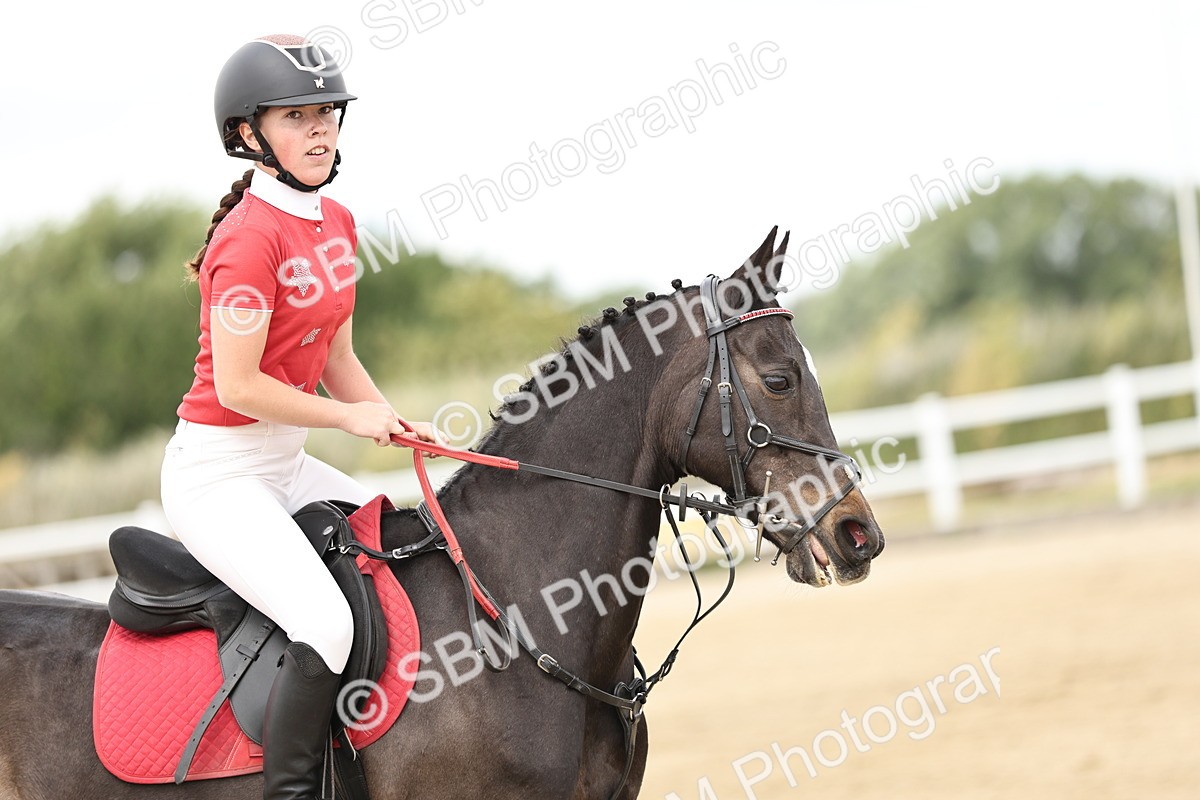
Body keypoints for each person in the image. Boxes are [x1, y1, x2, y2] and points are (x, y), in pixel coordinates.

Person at [161, 34, 442, 800]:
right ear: (247, 134)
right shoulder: (247, 241)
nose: (320, 129)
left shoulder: (338, 221)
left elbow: (337, 354)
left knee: (410, 548)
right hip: (217, 477)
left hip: (283, 466)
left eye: (328, 113)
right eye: (296, 116)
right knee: (325, 624)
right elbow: (240, 387)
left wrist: (388, 417)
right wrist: (347, 422)